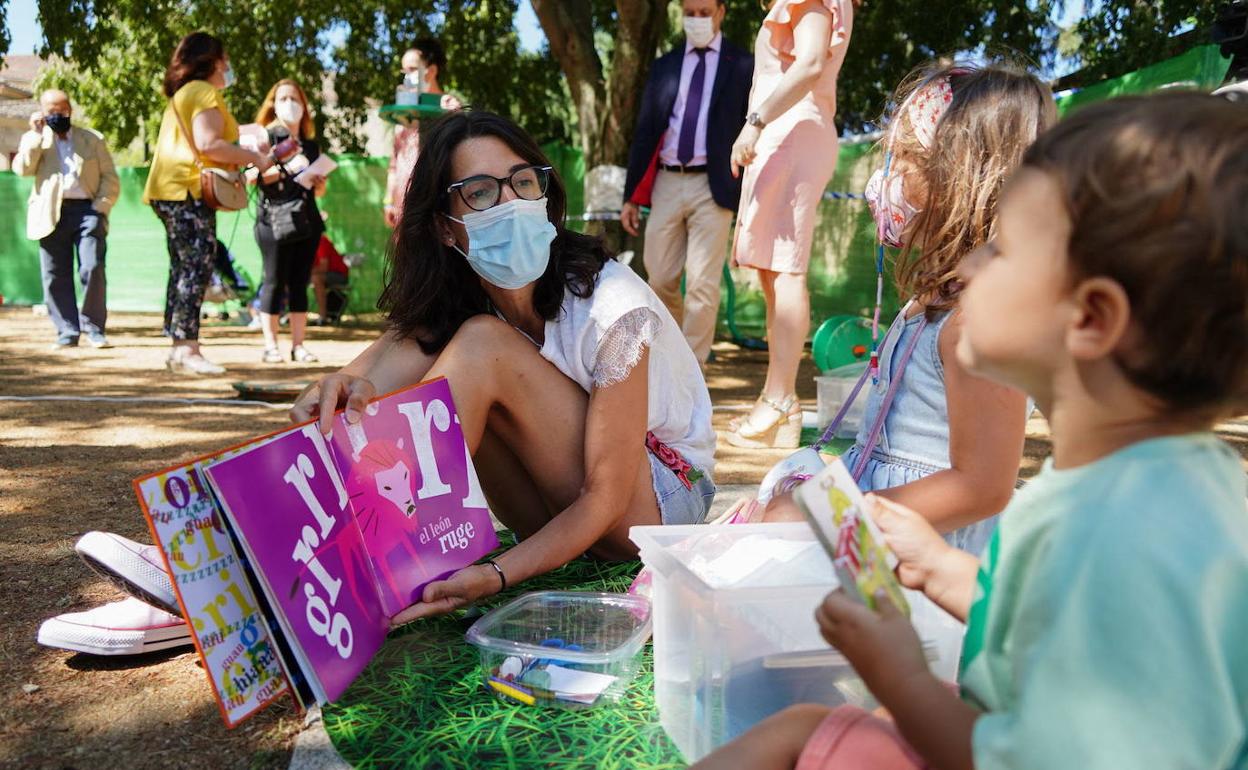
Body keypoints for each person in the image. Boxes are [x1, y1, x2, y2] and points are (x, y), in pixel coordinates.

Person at [693, 92, 1248, 770]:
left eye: (1003, 248)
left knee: (796, 733)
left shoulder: (1127, 539)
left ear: (1092, 317)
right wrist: (944, 568)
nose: (968, 266)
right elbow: (1040, 630)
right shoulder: (1139, 489)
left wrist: (903, 677)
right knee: (807, 725)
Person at [292, 110, 716, 623]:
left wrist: (496, 574)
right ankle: (304, 562)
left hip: (656, 504)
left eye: (521, 182)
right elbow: (361, 391)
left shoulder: (613, 306)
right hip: (558, 511)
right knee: (445, 359)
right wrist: (335, 390)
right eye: (481, 192)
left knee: (481, 348)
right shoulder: (463, 301)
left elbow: (605, 496)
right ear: (446, 229)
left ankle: (368, 567)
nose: (511, 204)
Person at [766, 64, 1055, 563]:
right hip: (883, 530)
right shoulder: (930, 301)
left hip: (927, 555)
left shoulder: (978, 324)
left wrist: (841, 519)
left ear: (961, 176)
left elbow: (982, 486)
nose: (886, 178)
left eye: (905, 158)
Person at [725, 0, 855, 448]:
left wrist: (754, 123)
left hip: (793, 131)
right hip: (788, 133)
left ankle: (781, 401)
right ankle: (775, 402)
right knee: (772, 273)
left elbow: (811, 61)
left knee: (785, 270)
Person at [621, 0, 754, 366]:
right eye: (690, 13)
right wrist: (631, 196)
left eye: (704, 12)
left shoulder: (743, 65)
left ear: (721, 12)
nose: (696, 20)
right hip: (666, 180)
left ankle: (692, 370)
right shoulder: (665, 65)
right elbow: (646, 130)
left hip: (713, 186)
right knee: (660, 275)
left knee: (702, 285)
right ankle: (670, 355)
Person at [143, 31, 274, 374]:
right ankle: (187, 349)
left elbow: (211, 138)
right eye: (225, 59)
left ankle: (178, 346)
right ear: (214, 61)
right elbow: (209, 143)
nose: (228, 66)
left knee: (183, 267)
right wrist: (254, 157)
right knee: (196, 267)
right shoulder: (203, 91)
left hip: (168, 189)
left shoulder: (186, 92)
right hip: (187, 190)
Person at [13, 88, 119, 350]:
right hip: (49, 213)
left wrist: (100, 208)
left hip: (87, 211)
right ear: (41, 112)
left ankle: (94, 329)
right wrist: (37, 136)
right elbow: (23, 170)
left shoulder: (92, 139)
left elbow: (110, 178)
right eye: (51, 111)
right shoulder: (34, 138)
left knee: (92, 267)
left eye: (62, 110)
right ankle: (67, 331)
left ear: (70, 110)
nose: (57, 115)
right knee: (54, 274)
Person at [251, 78, 327, 364]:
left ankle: (298, 345)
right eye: (282, 99)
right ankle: (270, 345)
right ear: (273, 104)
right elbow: (249, 176)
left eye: (294, 99)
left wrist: (317, 181)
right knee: (273, 280)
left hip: (306, 221)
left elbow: (319, 190)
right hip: (272, 221)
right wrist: (270, 163)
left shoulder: (311, 146)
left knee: (300, 282)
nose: (289, 104)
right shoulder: (263, 139)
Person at [383, 39, 463, 228]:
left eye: (411, 69)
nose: (406, 76)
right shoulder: (403, 113)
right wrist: (389, 200)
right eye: (404, 71)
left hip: (438, 206)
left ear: (432, 71)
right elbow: (394, 164)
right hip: (404, 208)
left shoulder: (449, 106)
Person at [310, 233, 350, 326]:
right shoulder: (308, 243)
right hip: (324, 274)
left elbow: (324, 267)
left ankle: (323, 317)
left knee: (316, 279)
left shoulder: (321, 240)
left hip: (339, 275)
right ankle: (287, 314)